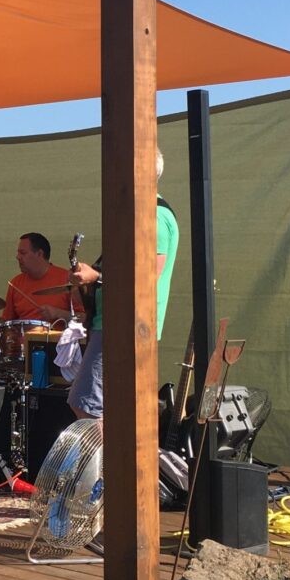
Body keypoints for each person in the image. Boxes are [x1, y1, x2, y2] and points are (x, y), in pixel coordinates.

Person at [66, 152, 180, 419]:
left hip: (124, 325)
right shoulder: (141, 213)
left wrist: (96, 277)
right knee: (109, 408)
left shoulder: (153, 216)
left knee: (85, 404)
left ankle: (106, 461)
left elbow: (147, 276)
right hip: (116, 323)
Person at [0, 232, 73, 323]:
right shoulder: (16, 283)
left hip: (57, 336)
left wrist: (59, 313)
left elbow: (83, 318)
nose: (18, 257)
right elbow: (6, 320)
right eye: (18, 253)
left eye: (23, 253)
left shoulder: (67, 279)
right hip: (24, 336)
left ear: (39, 254)